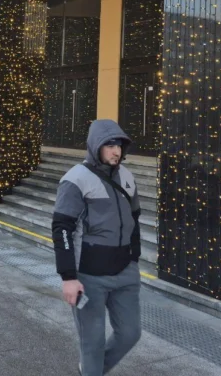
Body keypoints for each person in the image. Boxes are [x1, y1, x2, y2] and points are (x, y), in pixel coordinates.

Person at [52, 119, 142, 376]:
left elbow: (135, 218)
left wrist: (134, 258)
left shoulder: (127, 177)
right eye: (110, 145)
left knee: (130, 333)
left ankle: (92, 370)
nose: (116, 151)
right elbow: (62, 229)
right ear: (95, 146)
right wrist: (69, 277)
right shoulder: (76, 179)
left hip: (125, 272)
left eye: (120, 145)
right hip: (89, 276)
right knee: (92, 343)